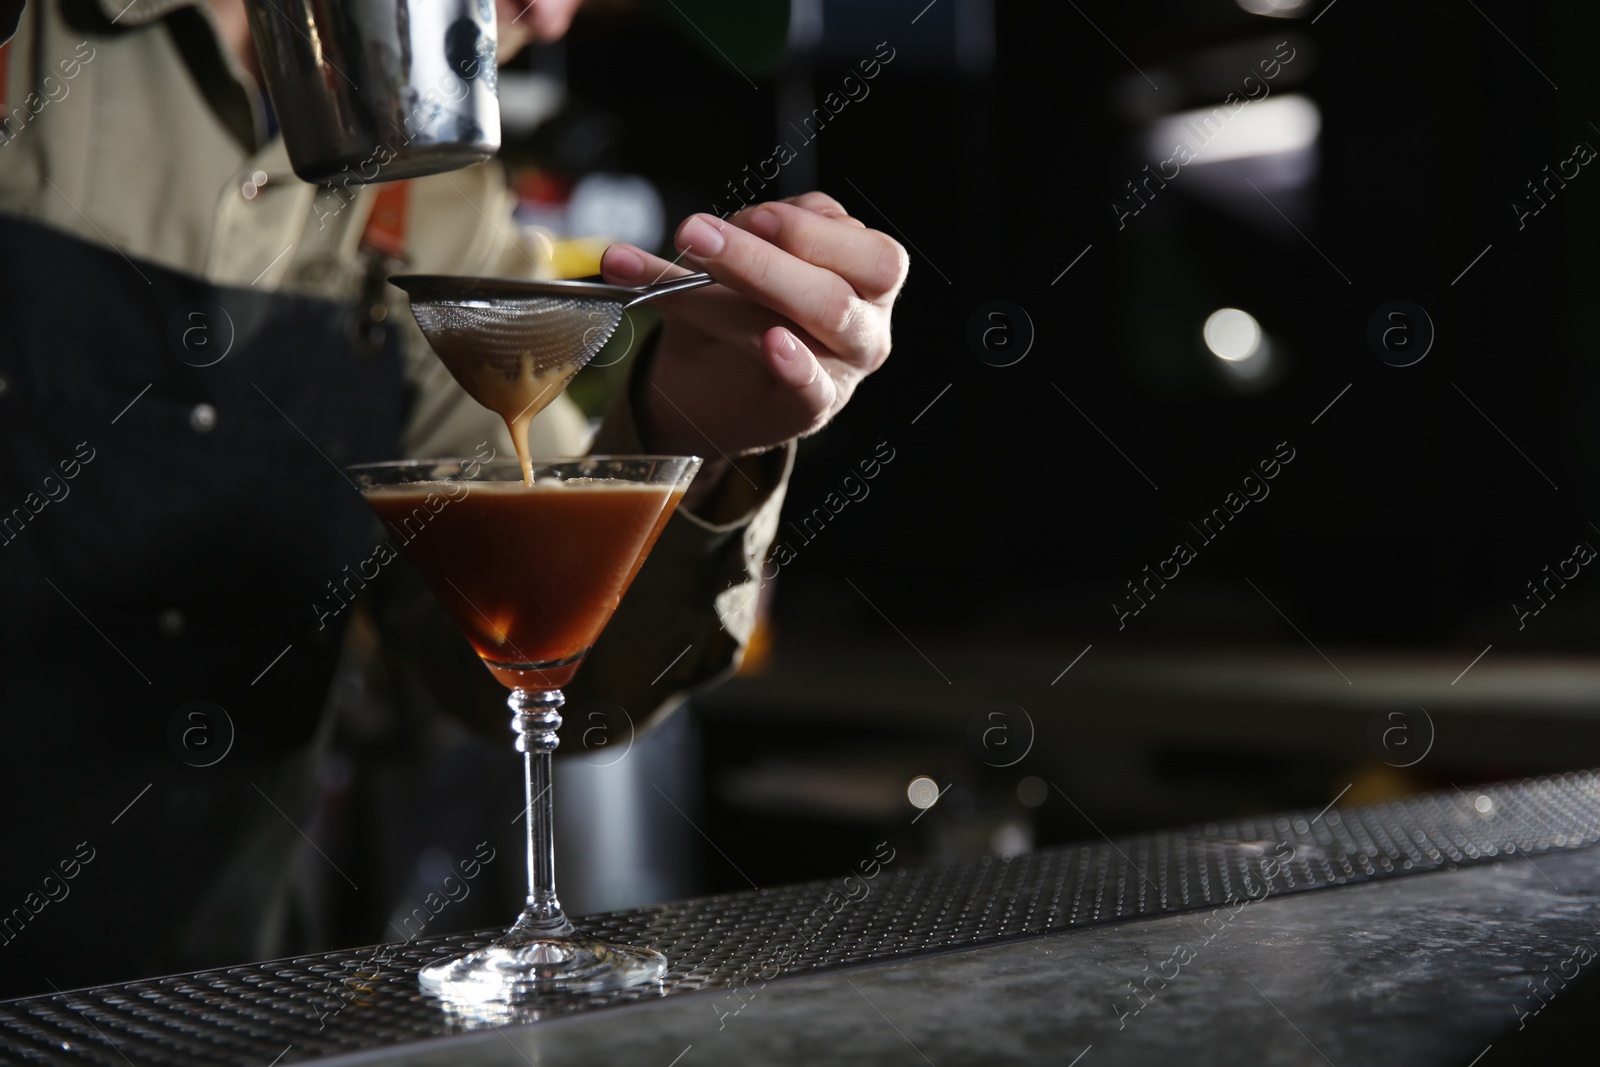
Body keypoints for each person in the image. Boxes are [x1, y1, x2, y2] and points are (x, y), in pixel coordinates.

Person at [0, 0, 906, 995]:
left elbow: (541, 651)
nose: (551, 18)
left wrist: (692, 426)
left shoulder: (437, 205)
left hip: (222, 990)